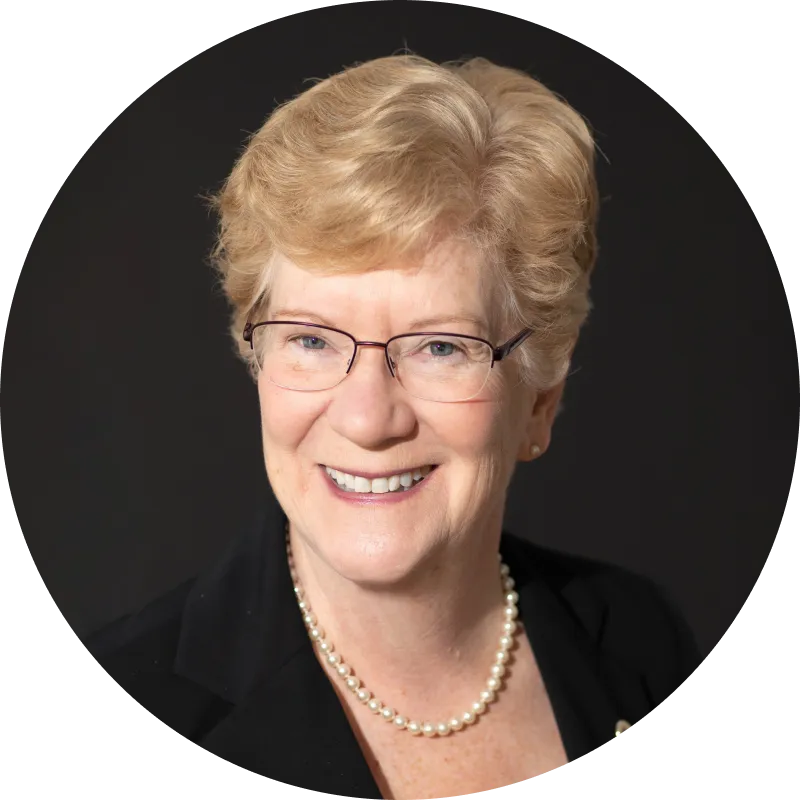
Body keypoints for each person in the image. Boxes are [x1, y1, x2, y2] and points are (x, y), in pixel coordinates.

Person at [83, 53, 701, 798]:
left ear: (540, 400)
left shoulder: (641, 644)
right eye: (311, 340)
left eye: (441, 347)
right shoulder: (136, 694)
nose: (367, 418)